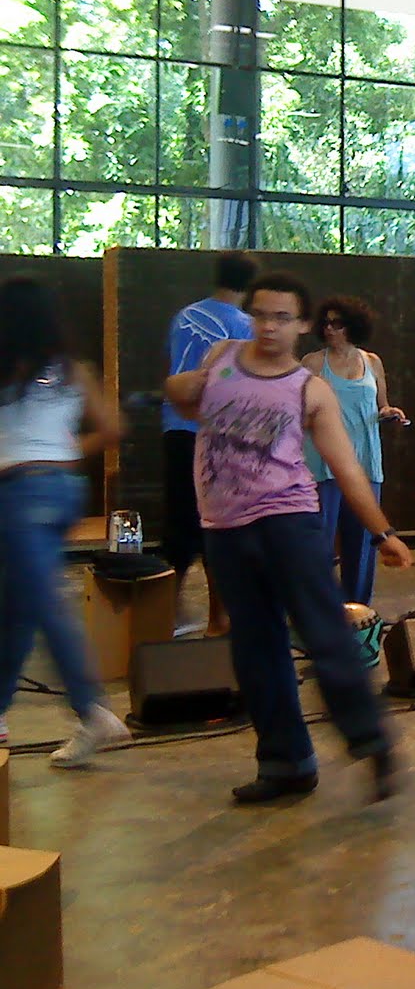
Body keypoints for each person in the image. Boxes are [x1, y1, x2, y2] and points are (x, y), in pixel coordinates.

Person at [165, 271, 412, 805]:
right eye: (260, 315)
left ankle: (371, 740)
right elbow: (187, 403)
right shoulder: (222, 356)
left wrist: (383, 532)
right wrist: (179, 387)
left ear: (301, 325)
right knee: (256, 649)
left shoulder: (309, 389)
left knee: (324, 633)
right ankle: (287, 764)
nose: (269, 327)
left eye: (282, 318)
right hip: (225, 527)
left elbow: (346, 467)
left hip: (289, 521)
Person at [0, 276, 131, 765]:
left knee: (45, 603)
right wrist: (64, 452)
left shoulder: (6, 371)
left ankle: (91, 708)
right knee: (19, 606)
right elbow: (114, 427)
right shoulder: (73, 368)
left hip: (19, 493)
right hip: (64, 490)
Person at [162, 250, 257, 635]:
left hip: (176, 427)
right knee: (218, 526)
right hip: (218, 435)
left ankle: (165, 612)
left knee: (179, 523)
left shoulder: (183, 316)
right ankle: (218, 618)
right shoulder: (245, 326)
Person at [301, 296, 405, 607]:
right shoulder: (313, 364)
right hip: (323, 464)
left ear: (353, 327)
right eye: (326, 323)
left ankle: (359, 614)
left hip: (365, 461)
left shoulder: (372, 362)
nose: (330, 329)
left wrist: (389, 412)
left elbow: (381, 404)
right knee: (318, 544)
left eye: (337, 324)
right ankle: (317, 612)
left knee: (362, 545)